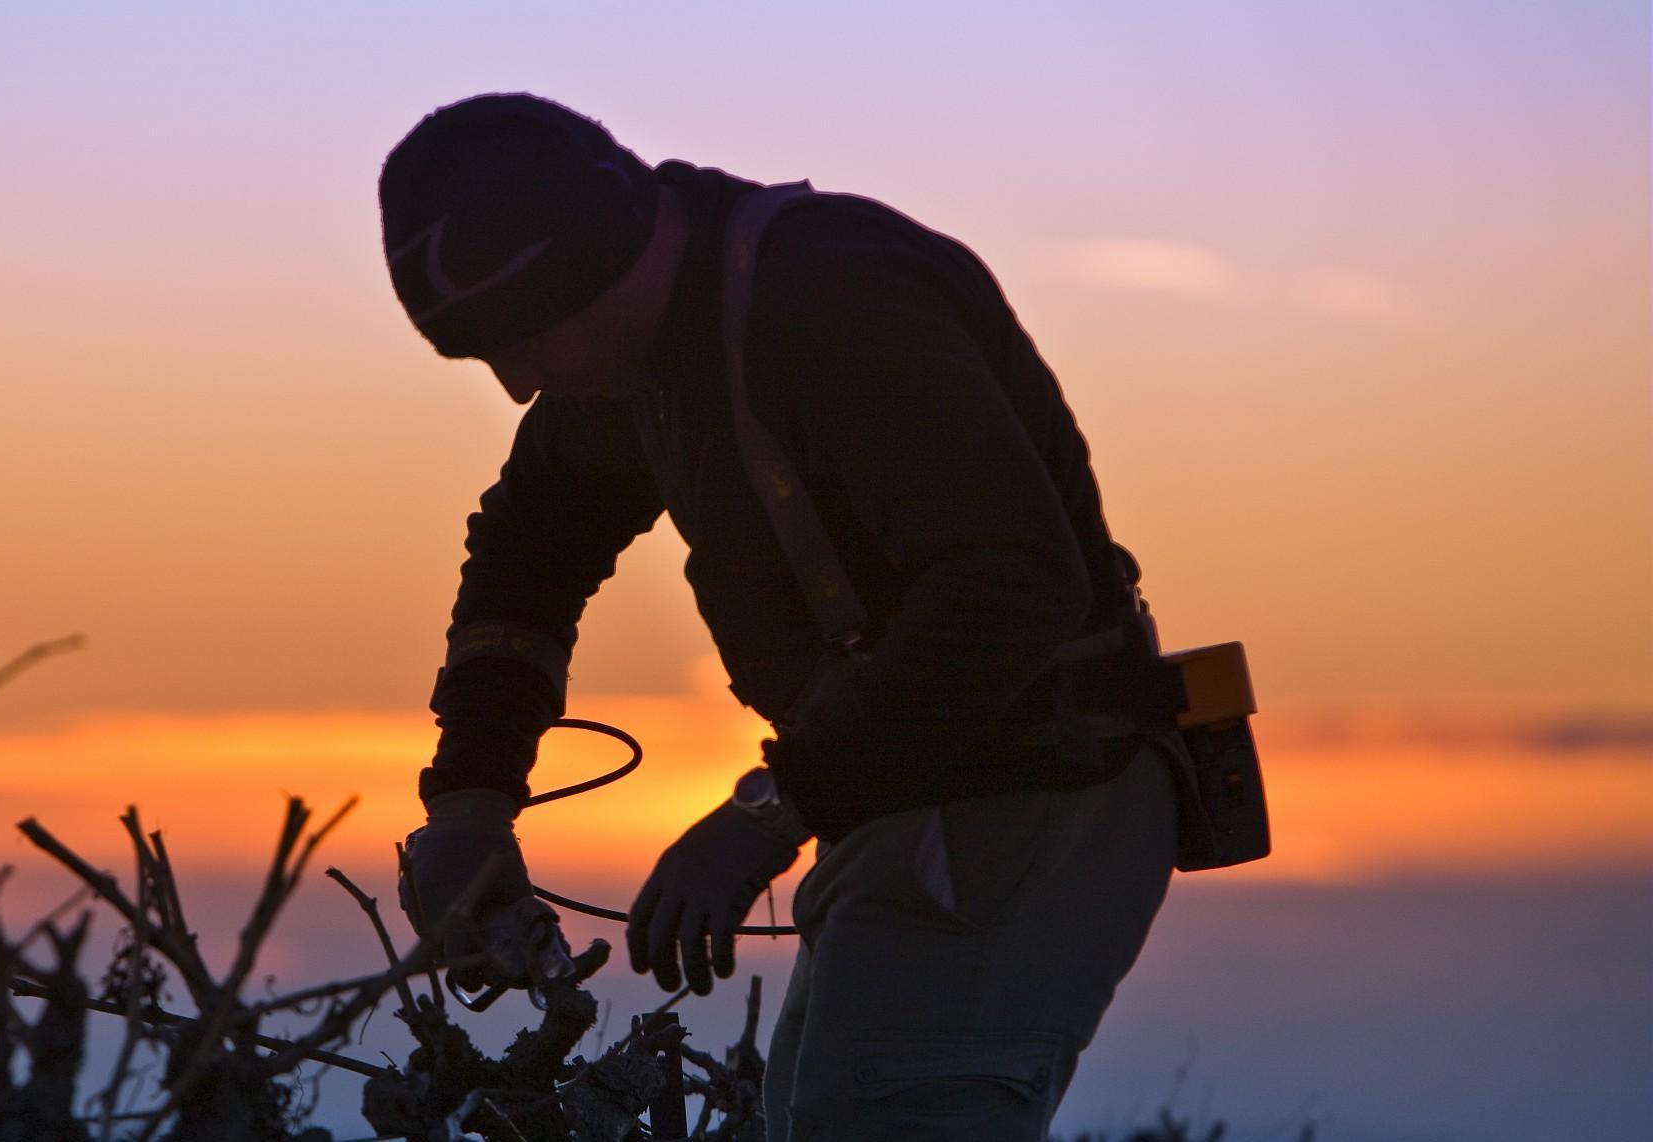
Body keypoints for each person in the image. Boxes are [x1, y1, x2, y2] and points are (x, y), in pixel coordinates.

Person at [380, 93, 1192, 1140]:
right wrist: (471, 800)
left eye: (522, 340)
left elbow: (1012, 586)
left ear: (590, 262)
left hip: (1037, 793)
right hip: (904, 801)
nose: (519, 383)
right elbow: (529, 548)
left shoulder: (830, 298)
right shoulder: (635, 364)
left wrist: (772, 809)